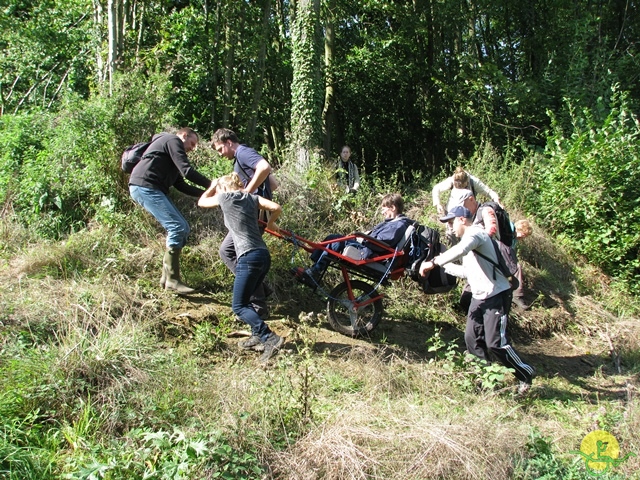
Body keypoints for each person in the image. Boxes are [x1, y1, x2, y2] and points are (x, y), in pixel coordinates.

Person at [420, 206, 535, 395]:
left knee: (495, 343)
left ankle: (525, 373)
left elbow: (461, 249)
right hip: (479, 296)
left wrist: (434, 262)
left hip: (496, 295)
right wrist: (442, 267)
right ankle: (485, 378)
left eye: (451, 222)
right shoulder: (469, 241)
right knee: (472, 338)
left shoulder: (476, 234)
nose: (450, 228)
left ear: (462, 220)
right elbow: (467, 272)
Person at [198, 172, 284, 363]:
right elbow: (276, 207)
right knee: (250, 296)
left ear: (225, 188)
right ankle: (256, 335)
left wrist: (213, 186)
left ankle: (270, 337)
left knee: (239, 306)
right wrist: (270, 224)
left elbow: (202, 202)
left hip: (248, 257)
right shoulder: (252, 197)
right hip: (263, 255)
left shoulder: (225, 196)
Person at [129, 127, 211, 294]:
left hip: (151, 188)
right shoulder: (172, 140)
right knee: (177, 227)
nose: (192, 148)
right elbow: (187, 172)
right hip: (145, 186)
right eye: (192, 143)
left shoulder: (169, 152)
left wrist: (207, 194)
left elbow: (180, 184)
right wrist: (213, 185)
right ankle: (173, 281)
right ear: (183, 135)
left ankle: (166, 279)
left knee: (183, 227)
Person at [211, 128, 278, 319]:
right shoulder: (242, 158)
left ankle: (258, 302)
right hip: (257, 213)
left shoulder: (243, 152)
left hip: (252, 215)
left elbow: (264, 167)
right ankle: (260, 290)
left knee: (230, 251)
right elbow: (273, 184)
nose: (220, 154)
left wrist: (247, 192)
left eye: (220, 149)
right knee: (232, 251)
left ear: (228, 142)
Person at [293, 193, 413, 286]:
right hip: (370, 248)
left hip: (371, 254)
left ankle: (315, 272)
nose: (382, 212)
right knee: (333, 237)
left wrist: (364, 238)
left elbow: (383, 242)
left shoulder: (398, 225)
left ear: (392, 207)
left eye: (384, 208)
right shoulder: (394, 223)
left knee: (337, 240)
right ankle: (315, 269)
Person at [432, 166, 501, 217]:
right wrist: (438, 204)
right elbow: (436, 188)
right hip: (451, 213)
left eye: (463, 188)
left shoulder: (473, 182)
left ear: (466, 182)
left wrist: (497, 201)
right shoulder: (452, 180)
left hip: (468, 214)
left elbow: (488, 191)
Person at [512, 220, 533, 310]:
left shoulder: (515, 239)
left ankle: (516, 293)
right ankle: (517, 295)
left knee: (516, 266)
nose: (522, 237)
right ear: (518, 228)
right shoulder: (506, 233)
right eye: (522, 233)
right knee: (517, 267)